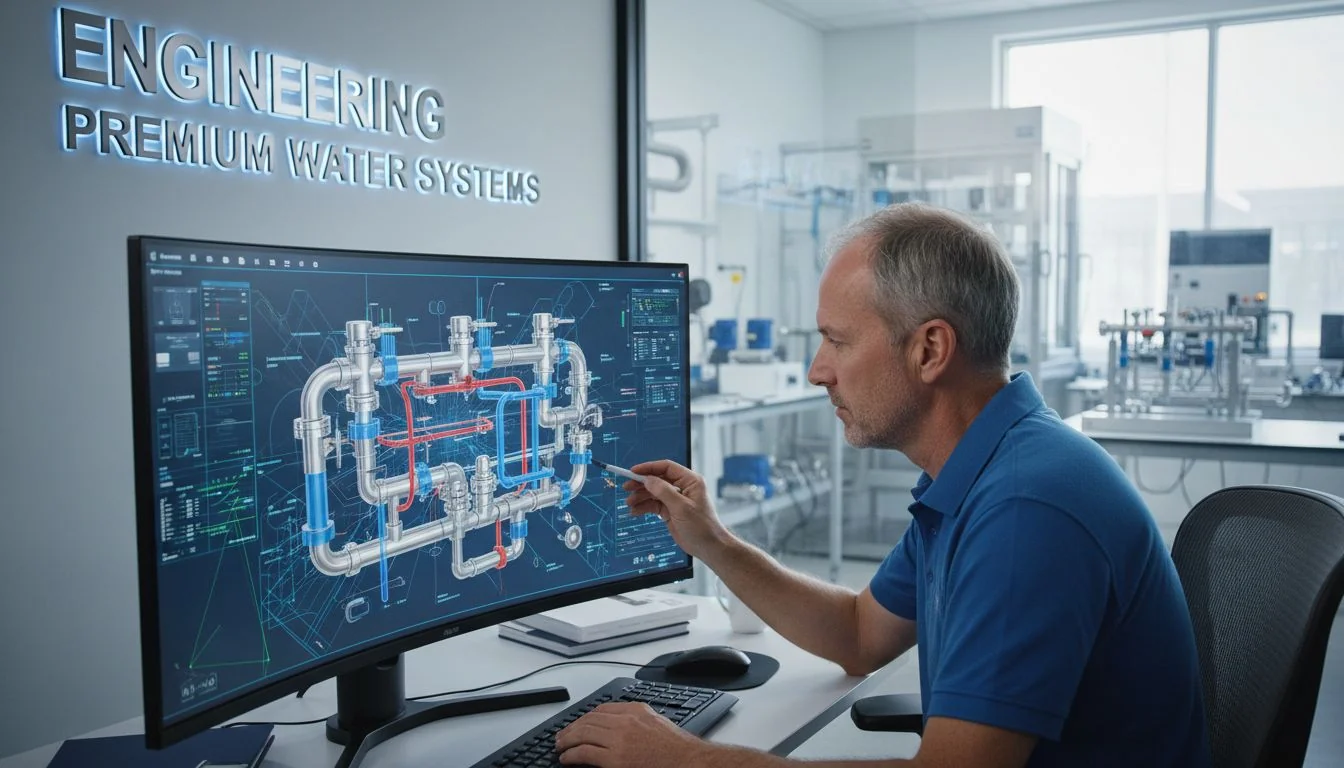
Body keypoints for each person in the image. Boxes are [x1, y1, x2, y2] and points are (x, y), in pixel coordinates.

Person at [555, 203, 1211, 768]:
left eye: (836, 341)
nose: (817, 372)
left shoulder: (1025, 510)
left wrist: (687, 759)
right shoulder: (982, 472)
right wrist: (713, 541)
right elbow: (860, 633)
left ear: (929, 350)